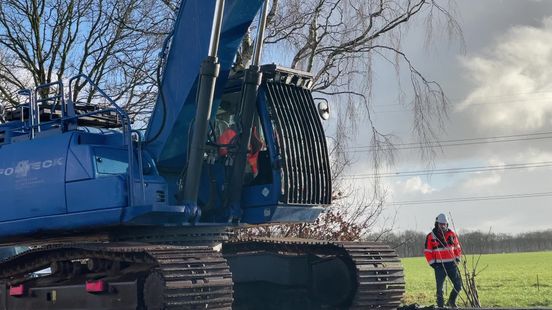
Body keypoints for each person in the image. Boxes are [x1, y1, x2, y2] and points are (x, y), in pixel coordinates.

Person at [424, 213, 463, 308]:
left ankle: (451, 301)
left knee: (458, 285)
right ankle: (440, 306)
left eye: (444, 224)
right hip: (439, 266)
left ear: (447, 224)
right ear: (436, 224)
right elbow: (428, 252)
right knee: (439, 289)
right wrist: (433, 264)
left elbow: (457, 248)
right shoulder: (431, 236)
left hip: (452, 265)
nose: (442, 226)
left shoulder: (452, 234)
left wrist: (457, 259)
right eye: (440, 224)